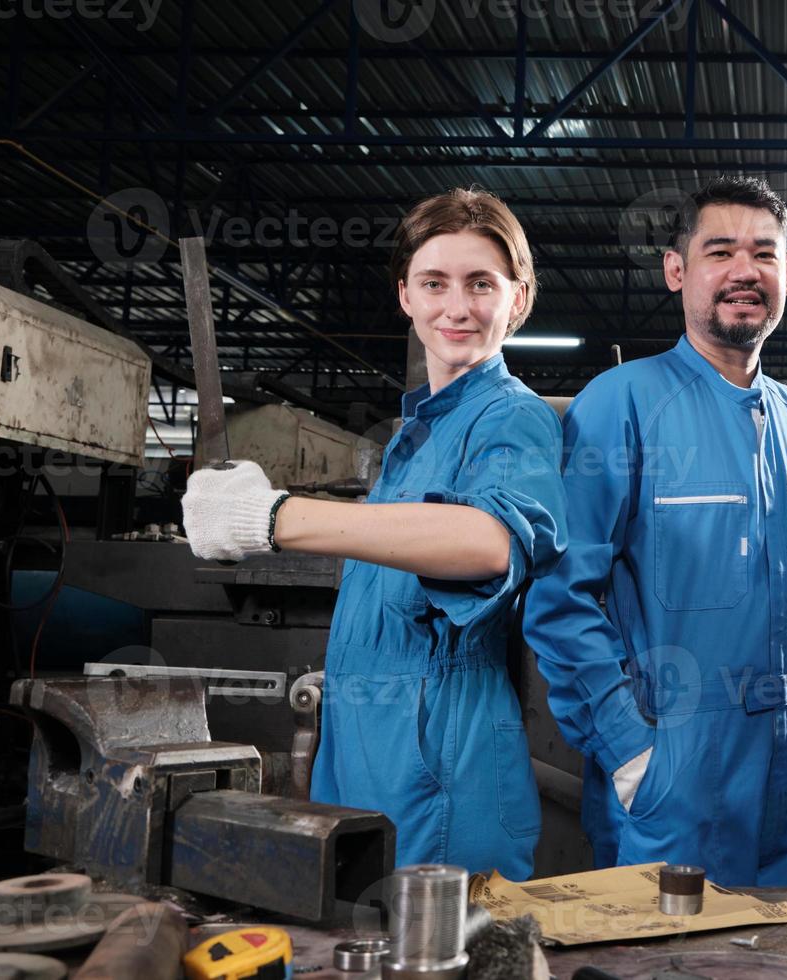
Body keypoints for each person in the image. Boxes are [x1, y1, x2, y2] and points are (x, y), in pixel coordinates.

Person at [180, 189, 565, 877]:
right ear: (406, 297)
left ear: (520, 299)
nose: (457, 306)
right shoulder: (415, 434)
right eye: (434, 283)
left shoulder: (512, 417)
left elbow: (489, 542)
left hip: (439, 758)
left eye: (482, 283)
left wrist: (269, 518)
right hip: (363, 745)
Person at [523, 176, 787, 887]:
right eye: (719, 251)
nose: (744, 271)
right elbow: (559, 599)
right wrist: (633, 752)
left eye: (764, 254)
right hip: (680, 772)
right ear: (678, 271)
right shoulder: (623, 404)